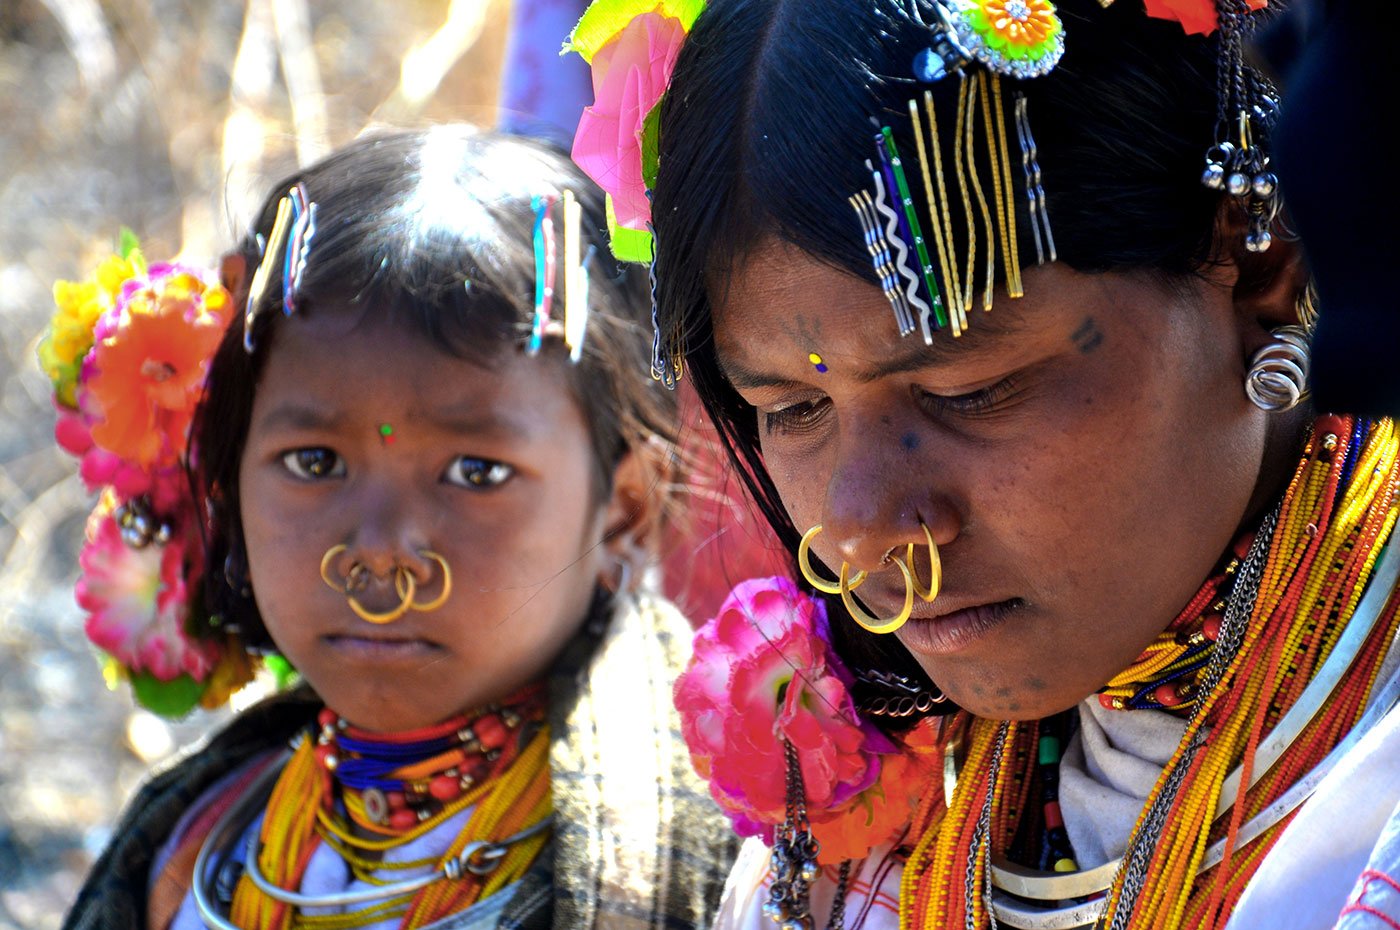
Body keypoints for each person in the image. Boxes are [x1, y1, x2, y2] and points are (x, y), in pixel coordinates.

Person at [565, 0, 1400, 928]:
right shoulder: (848, 853)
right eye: (791, 409)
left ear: (1258, 263)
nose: (862, 531)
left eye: (969, 389)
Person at [50, 126, 737, 930]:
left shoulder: (735, 875)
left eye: (474, 473)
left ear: (624, 510)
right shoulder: (190, 848)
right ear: (227, 481)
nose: (376, 549)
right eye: (314, 462)